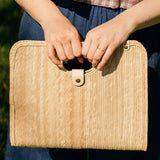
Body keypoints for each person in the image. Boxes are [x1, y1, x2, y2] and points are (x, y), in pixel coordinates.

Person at [5, 0, 160, 159]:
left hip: (137, 26)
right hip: (51, 20)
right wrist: (50, 18)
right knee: (40, 150)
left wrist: (127, 21)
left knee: (127, 151)